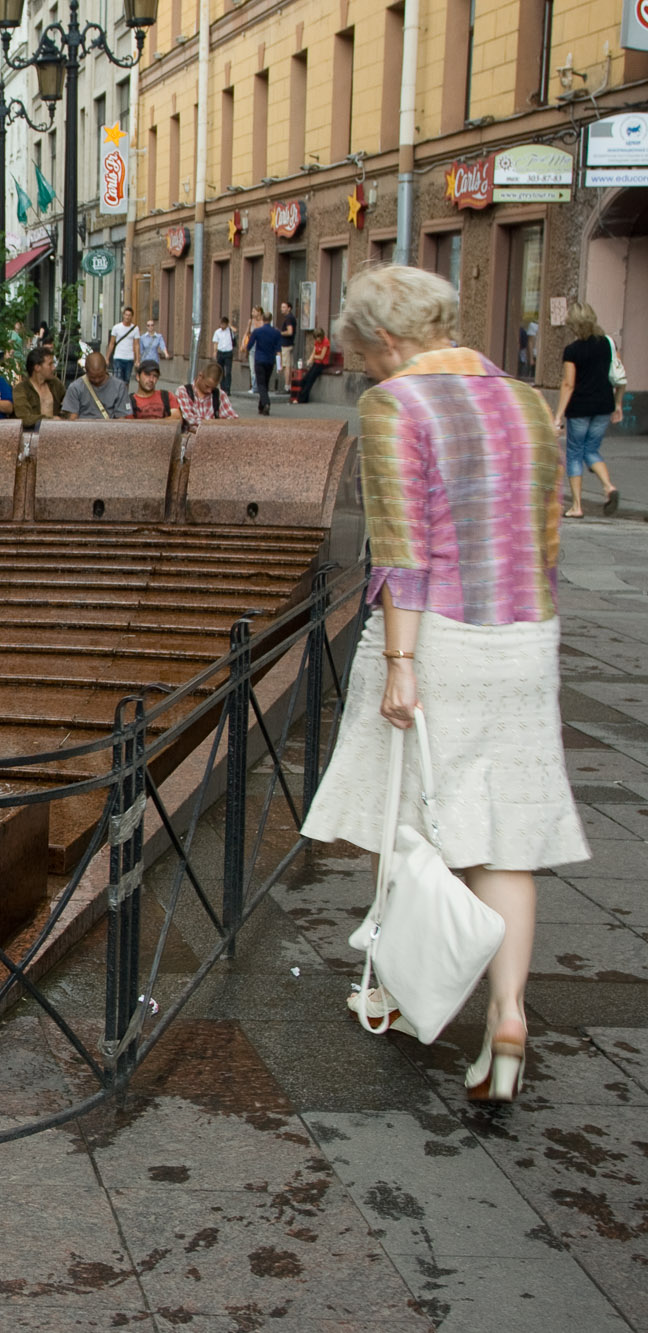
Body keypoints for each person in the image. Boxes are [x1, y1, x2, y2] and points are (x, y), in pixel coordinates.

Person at [302, 264, 588, 1105]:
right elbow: (548, 534)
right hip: (525, 633)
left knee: (411, 817)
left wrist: (398, 663)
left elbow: (402, 548)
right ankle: (507, 1017)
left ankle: (395, 988)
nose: (361, 370)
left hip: (441, 639)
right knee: (506, 835)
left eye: (361, 354)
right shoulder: (528, 399)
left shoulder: (395, 405)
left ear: (385, 341)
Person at [554, 302, 624, 518]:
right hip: (604, 405)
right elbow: (620, 376)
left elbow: (569, 384)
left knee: (575, 453)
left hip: (580, 408)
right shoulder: (608, 344)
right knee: (591, 450)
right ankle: (608, 487)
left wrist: (558, 416)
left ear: (573, 325)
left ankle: (576, 506)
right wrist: (618, 404)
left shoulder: (572, 351)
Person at [61, 352, 128, 421]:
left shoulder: (119, 387)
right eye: (92, 377)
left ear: (106, 370)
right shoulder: (75, 387)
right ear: (86, 371)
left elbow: (121, 418)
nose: (97, 380)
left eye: (101, 376)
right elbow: (73, 417)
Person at [174, 360, 239, 429]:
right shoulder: (183, 391)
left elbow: (233, 419)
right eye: (207, 386)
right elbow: (188, 419)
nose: (209, 391)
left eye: (213, 388)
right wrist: (215, 423)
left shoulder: (220, 394)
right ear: (200, 376)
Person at [11, 346, 66, 427]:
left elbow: (68, 406)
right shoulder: (21, 389)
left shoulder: (56, 384)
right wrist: (50, 420)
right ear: (37, 367)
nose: (53, 368)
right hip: (32, 434)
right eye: (50, 364)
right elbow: (24, 418)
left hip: (56, 432)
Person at [244, 307, 283, 414]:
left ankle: (266, 403)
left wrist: (246, 352)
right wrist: (279, 366)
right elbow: (278, 350)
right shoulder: (276, 332)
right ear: (270, 320)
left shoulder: (257, 331)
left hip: (259, 359)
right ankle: (261, 407)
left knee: (261, 384)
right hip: (270, 361)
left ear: (263, 318)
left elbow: (250, 345)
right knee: (265, 383)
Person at [289, 328, 336, 405]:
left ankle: (301, 399)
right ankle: (302, 398)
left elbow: (321, 356)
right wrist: (309, 360)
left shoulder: (325, 342)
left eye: (319, 338)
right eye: (316, 338)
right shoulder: (316, 342)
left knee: (310, 380)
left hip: (322, 364)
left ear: (321, 336)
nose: (318, 340)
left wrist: (313, 357)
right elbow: (313, 352)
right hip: (316, 363)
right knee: (304, 379)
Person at [107, 306, 141, 384]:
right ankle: (118, 395)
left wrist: (137, 360)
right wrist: (107, 358)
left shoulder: (135, 328)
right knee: (118, 380)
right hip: (118, 357)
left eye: (129, 315)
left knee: (126, 380)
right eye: (126, 315)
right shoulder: (116, 327)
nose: (127, 317)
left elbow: (136, 345)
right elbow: (111, 343)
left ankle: (124, 395)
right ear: (123, 315)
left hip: (129, 358)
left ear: (132, 317)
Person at [213, 316, 236, 382]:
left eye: (224, 324)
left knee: (228, 371)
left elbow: (235, 330)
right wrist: (215, 352)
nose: (222, 325)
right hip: (220, 352)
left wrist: (229, 325)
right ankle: (223, 387)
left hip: (228, 353)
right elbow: (215, 343)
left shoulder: (230, 331)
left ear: (226, 324)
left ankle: (228, 389)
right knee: (221, 370)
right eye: (221, 324)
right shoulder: (217, 332)